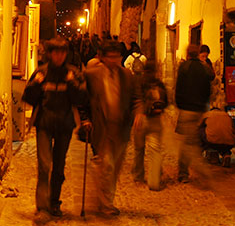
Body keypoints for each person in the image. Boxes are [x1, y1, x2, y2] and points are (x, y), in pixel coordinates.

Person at [22, 38, 87, 217]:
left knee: (59, 165)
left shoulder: (73, 73)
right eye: (55, 52)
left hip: (65, 125)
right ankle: (42, 206)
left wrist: (72, 84)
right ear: (50, 54)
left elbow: (81, 99)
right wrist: (36, 85)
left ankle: (54, 202)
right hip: (44, 124)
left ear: (66, 54)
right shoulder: (41, 72)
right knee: (44, 165)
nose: (59, 56)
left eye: (62, 52)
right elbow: (28, 98)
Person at [81, 40, 145, 216]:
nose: (114, 60)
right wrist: (85, 119)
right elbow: (83, 100)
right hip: (102, 128)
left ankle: (104, 196)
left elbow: (137, 98)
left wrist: (138, 113)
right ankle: (106, 204)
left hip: (121, 128)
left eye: (117, 57)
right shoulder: (92, 75)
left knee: (114, 167)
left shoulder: (127, 76)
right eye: (111, 57)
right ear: (102, 57)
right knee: (107, 165)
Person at [174, 43, 214, 185]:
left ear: (188, 54)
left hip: (186, 110)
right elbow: (208, 89)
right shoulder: (204, 69)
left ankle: (191, 171)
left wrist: (179, 104)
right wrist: (203, 106)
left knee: (188, 143)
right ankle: (187, 172)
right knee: (192, 140)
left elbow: (178, 88)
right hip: (199, 110)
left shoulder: (184, 68)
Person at [131, 60, 168, 190]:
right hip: (155, 119)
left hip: (140, 120)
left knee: (139, 149)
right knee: (155, 150)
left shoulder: (138, 82)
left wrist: (136, 113)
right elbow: (167, 101)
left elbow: (134, 99)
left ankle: (138, 175)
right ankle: (154, 180)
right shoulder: (159, 84)